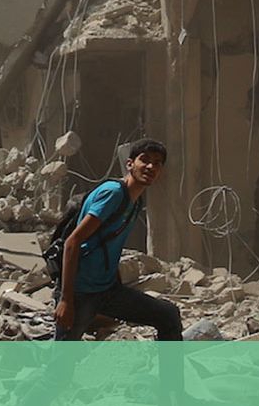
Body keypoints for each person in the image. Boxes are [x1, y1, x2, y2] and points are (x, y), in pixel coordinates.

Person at [55, 138, 182, 341]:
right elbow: (73, 242)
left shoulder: (135, 201)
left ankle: (170, 375)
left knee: (168, 315)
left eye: (157, 163)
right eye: (145, 160)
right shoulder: (113, 194)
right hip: (81, 293)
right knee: (62, 362)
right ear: (130, 164)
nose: (150, 166)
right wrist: (65, 300)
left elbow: (109, 244)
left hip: (107, 291)